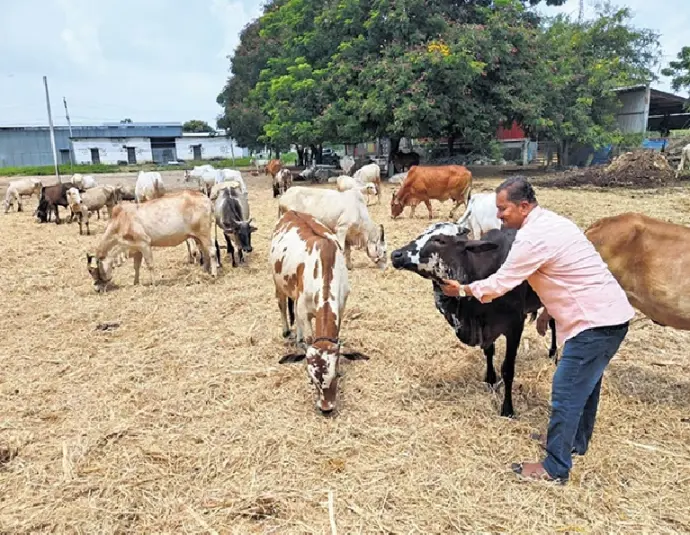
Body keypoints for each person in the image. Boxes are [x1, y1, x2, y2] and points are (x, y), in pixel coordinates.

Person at [440, 176, 635, 484]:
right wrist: (547, 312)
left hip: (594, 324)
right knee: (587, 386)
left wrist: (463, 290)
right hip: (612, 316)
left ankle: (555, 468)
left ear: (524, 206)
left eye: (503, 209)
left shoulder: (531, 239)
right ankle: (575, 442)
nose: (498, 215)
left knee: (566, 391)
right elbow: (567, 273)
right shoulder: (556, 222)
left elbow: (501, 283)